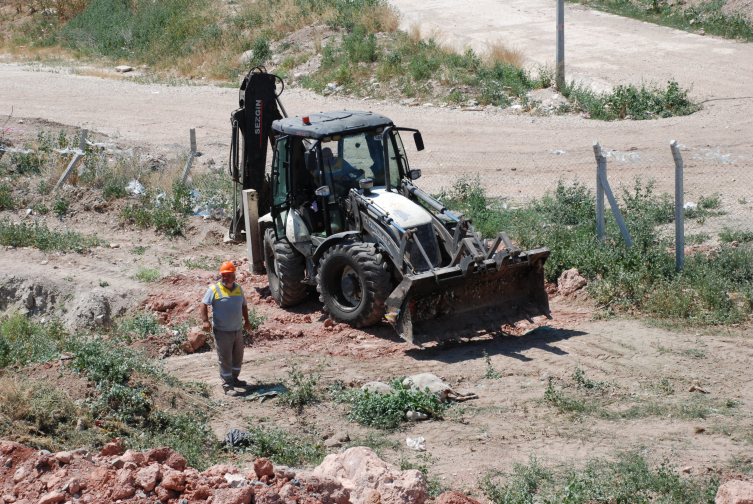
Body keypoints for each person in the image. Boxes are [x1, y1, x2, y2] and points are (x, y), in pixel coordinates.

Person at [200, 261, 252, 396]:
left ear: (234, 276)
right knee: (225, 359)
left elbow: (244, 305)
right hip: (222, 331)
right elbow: (204, 303)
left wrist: (247, 321)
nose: (225, 278)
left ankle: (234, 379)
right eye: (223, 275)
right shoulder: (214, 289)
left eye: (228, 275)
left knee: (237, 357)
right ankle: (227, 386)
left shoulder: (239, 289)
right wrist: (205, 321)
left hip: (237, 330)